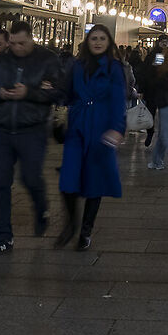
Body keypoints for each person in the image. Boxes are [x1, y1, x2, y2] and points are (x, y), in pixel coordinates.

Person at [0, 19, 64, 255]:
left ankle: (41, 206)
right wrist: (0, 93)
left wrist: (29, 93)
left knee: (31, 178)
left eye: (22, 43)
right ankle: (3, 238)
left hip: (31, 129)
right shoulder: (1, 61)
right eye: (13, 43)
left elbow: (59, 92)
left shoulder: (47, 59)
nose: (16, 47)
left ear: (31, 39)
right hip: (0, 128)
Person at [57, 24, 128, 250]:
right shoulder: (77, 66)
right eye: (93, 38)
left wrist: (117, 128)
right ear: (87, 42)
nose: (97, 42)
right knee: (68, 178)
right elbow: (67, 93)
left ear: (109, 43)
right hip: (77, 127)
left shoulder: (115, 68)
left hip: (101, 129)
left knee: (94, 182)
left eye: (102, 39)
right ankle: (71, 223)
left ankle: (85, 231)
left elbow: (118, 100)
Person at [141, 45, 168, 170]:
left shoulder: (163, 66)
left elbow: (153, 79)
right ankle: (157, 160)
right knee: (164, 133)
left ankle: (159, 160)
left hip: (164, 103)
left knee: (165, 134)